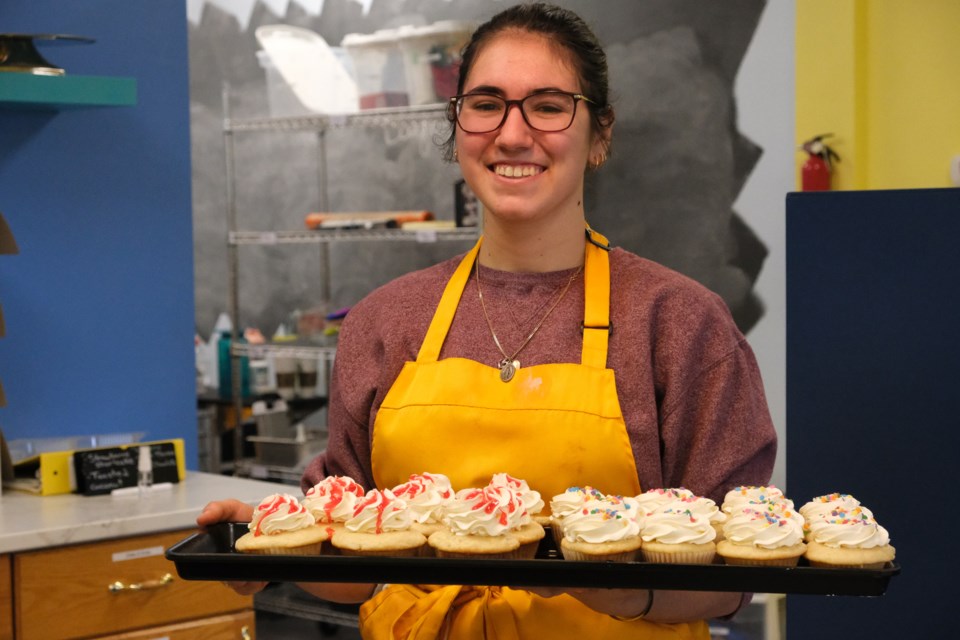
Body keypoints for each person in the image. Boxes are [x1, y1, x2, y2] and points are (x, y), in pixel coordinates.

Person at [198, 3, 777, 638]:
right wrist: (266, 544)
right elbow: (355, 563)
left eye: (549, 106)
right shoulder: (386, 322)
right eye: (485, 103)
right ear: (456, 125)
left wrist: (621, 590)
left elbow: (728, 576)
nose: (512, 134)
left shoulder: (678, 324)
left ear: (600, 133)